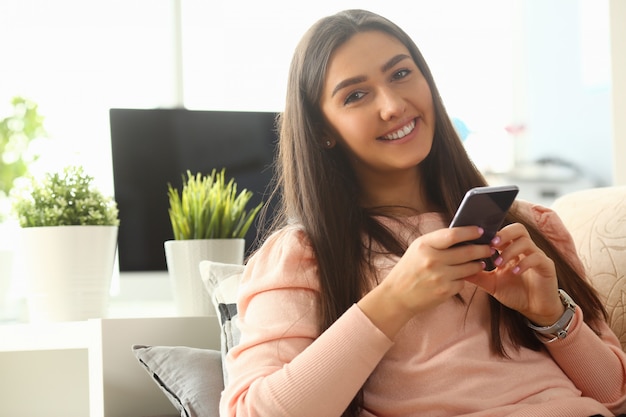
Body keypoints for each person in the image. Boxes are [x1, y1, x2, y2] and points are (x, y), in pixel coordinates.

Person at [219, 9, 626, 417]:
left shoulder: (532, 227)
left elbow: (615, 395)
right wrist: (395, 300)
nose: (394, 105)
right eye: (355, 95)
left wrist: (551, 317)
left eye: (400, 74)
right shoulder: (304, 256)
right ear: (323, 130)